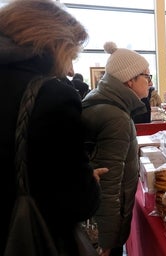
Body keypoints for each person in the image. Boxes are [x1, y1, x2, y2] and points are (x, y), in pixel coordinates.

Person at [0, 0, 108, 255]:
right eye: (69, 55)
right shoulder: (51, 95)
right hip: (28, 238)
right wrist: (89, 181)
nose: (69, 68)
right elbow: (78, 202)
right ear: (53, 43)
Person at [82, 41, 151, 256]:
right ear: (130, 80)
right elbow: (108, 186)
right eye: (147, 76)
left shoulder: (104, 105)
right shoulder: (116, 117)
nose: (150, 82)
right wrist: (106, 242)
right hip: (103, 232)